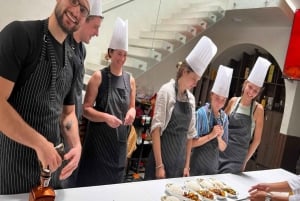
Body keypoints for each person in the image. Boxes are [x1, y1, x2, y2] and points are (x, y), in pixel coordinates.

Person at [0, 0, 91, 194]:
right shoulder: (20, 35)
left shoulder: (73, 60)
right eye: (74, 1)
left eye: (83, 9)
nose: (76, 11)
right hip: (10, 170)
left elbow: (68, 115)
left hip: (51, 173)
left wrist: (76, 145)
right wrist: (40, 144)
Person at [144, 36, 217, 180]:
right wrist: (159, 166)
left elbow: (190, 135)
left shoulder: (191, 99)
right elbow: (156, 130)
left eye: (198, 81)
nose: (195, 84)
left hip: (179, 164)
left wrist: (186, 166)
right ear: (184, 72)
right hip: (162, 163)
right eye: (194, 79)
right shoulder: (166, 91)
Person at [76, 17, 136, 186]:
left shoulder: (130, 80)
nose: (122, 58)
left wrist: (132, 112)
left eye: (124, 55)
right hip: (97, 147)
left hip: (118, 148)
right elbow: (86, 109)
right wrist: (106, 117)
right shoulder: (98, 77)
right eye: (118, 54)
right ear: (110, 53)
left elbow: (132, 107)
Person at [62, 0, 104, 188]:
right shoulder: (62, 44)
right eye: (95, 27)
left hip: (72, 127)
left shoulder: (82, 50)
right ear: (84, 20)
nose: (97, 33)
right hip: (58, 130)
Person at [218, 56, 271, 174]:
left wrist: (244, 161)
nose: (251, 92)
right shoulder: (233, 101)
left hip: (236, 160)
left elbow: (257, 140)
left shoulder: (258, 109)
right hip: (220, 152)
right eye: (250, 87)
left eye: (255, 91)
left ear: (258, 93)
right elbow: (221, 125)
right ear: (245, 84)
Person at [190, 65, 232, 176]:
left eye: (223, 100)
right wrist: (211, 135)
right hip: (196, 167)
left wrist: (218, 137)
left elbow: (223, 147)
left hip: (213, 169)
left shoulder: (224, 118)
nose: (220, 103)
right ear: (211, 95)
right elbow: (191, 143)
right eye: (217, 98)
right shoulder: (201, 113)